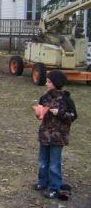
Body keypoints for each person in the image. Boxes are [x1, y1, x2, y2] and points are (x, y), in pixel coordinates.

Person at [33, 70, 77, 200]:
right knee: (42, 161)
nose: (46, 83)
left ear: (56, 83)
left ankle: (54, 188)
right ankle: (42, 182)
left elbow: (73, 116)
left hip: (58, 137)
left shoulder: (67, 100)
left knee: (54, 163)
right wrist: (38, 113)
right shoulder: (44, 97)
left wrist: (60, 113)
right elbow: (41, 114)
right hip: (44, 135)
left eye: (49, 81)